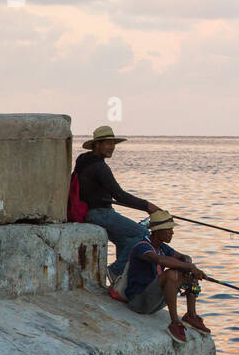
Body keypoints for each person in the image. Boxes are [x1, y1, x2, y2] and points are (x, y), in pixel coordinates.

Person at [74, 125, 160, 280]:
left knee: (126, 240)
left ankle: (120, 278)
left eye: (113, 144)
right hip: (99, 213)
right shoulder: (99, 167)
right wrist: (148, 206)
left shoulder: (85, 162)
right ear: (97, 145)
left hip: (93, 212)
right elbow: (119, 195)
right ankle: (115, 271)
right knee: (142, 234)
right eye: (108, 143)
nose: (112, 147)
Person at [124, 210, 210, 342]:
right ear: (158, 231)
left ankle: (191, 315)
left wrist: (188, 266)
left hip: (154, 300)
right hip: (138, 302)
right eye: (169, 229)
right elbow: (160, 260)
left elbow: (183, 257)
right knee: (170, 274)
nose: (172, 233)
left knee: (190, 275)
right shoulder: (142, 247)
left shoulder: (163, 247)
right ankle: (175, 323)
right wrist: (190, 267)